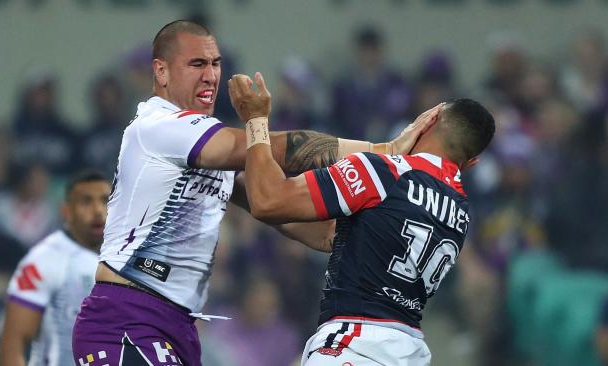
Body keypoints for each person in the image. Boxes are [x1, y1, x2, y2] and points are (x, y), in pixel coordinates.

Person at [72, 19, 439, 366]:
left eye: (216, 64)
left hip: (176, 324)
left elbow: (278, 206)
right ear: (161, 72)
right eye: (196, 63)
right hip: (126, 317)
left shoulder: (207, 145)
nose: (211, 74)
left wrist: (358, 237)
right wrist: (385, 151)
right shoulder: (157, 126)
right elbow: (283, 148)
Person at [229, 73, 495, 365]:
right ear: (471, 162)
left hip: (355, 345)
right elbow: (330, 234)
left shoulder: (386, 172)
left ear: (429, 120)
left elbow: (270, 200)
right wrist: (233, 187)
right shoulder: (461, 212)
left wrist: (256, 120)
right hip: (407, 351)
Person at [0, 171, 110, 366]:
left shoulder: (130, 258)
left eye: (105, 201)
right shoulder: (42, 261)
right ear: (66, 211)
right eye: (86, 201)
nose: (98, 210)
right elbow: (12, 346)